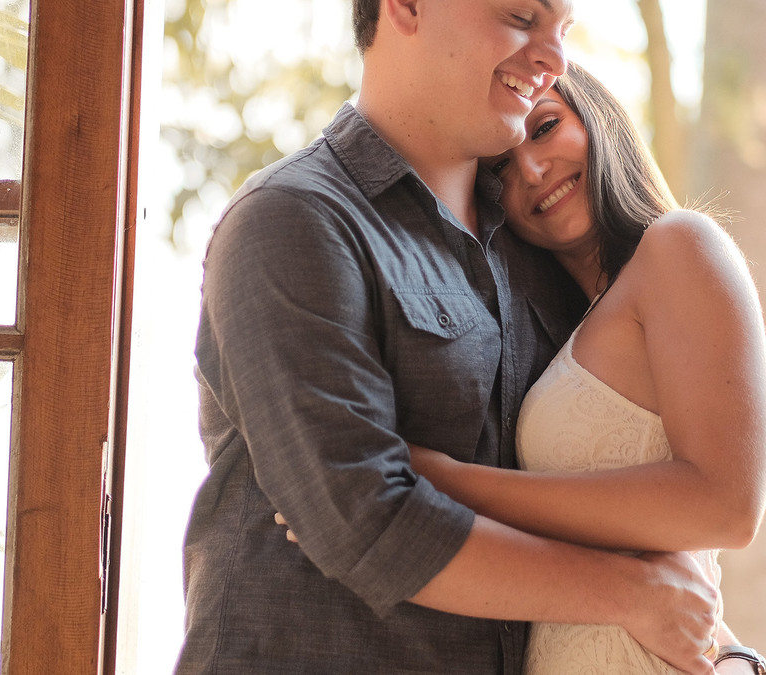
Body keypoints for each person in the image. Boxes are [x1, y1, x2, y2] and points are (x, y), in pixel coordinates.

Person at [177, 1, 725, 673]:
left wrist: (720, 648)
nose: (554, 57)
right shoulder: (292, 221)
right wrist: (630, 594)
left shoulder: (541, 243)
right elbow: (363, 521)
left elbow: (635, 490)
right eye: (522, 16)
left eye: (563, 30)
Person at [403, 62, 766, 673]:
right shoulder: (558, 332)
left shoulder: (679, 245)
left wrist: (442, 480)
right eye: (500, 168)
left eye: (546, 127)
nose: (531, 169)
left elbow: (725, 506)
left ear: (595, 116)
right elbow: (648, 551)